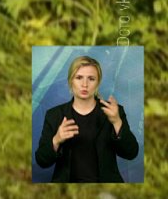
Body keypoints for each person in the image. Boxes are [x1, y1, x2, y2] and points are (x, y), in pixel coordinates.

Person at [34, 55, 139, 183]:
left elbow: (131, 153)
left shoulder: (114, 111)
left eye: (91, 79)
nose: (85, 84)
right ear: (70, 80)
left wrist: (117, 122)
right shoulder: (54, 115)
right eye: (79, 78)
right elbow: (41, 161)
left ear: (98, 82)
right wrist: (56, 140)